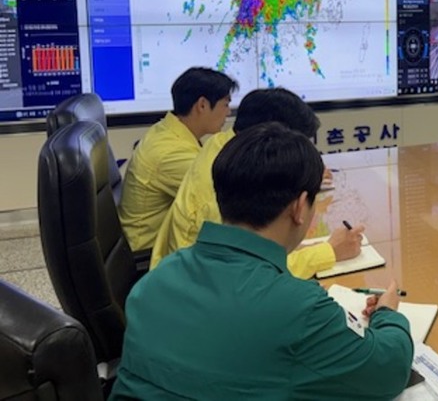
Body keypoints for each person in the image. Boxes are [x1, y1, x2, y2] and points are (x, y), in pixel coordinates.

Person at [111, 123, 413, 400]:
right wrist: (387, 314)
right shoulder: (299, 309)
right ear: (299, 208)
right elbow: (389, 370)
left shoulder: (155, 281)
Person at [151, 87, 362, 279]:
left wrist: (301, 173)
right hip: (200, 289)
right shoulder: (222, 198)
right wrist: (329, 251)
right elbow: (249, 273)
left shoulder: (225, 146)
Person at [118, 66, 238, 251]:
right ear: (202, 105)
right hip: (149, 254)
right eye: (225, 104)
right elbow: (221, 204)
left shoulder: (167, 131)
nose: (228, 112)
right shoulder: (172, 155)